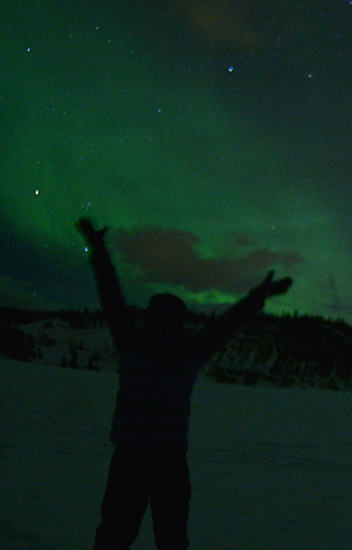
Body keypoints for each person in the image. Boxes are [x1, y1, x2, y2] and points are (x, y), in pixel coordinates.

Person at [76, 217, 292, 550]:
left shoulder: (133, 345)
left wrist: (100, 249)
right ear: (179, 323)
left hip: (131, 457)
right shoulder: (186, 352)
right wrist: (259, 294)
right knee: (170, 538)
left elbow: (111, 297)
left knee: (116, 536)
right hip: (168, 459)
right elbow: (227, 324)